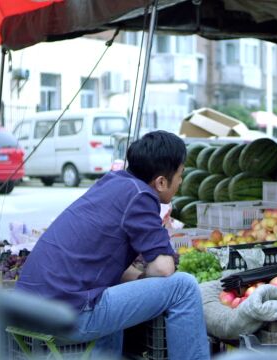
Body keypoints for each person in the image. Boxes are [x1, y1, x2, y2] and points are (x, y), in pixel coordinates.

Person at [15, 131, 209, 360]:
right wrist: (149, 274)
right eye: (180, 175)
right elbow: (164, 268)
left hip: (27, 309)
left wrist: (139, 279)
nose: (180, 182)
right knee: (183, 287)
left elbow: (103, 259)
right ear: (161, 181)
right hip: (66, 314)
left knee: (110, 294)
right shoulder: (141, 196)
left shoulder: (113, 182)